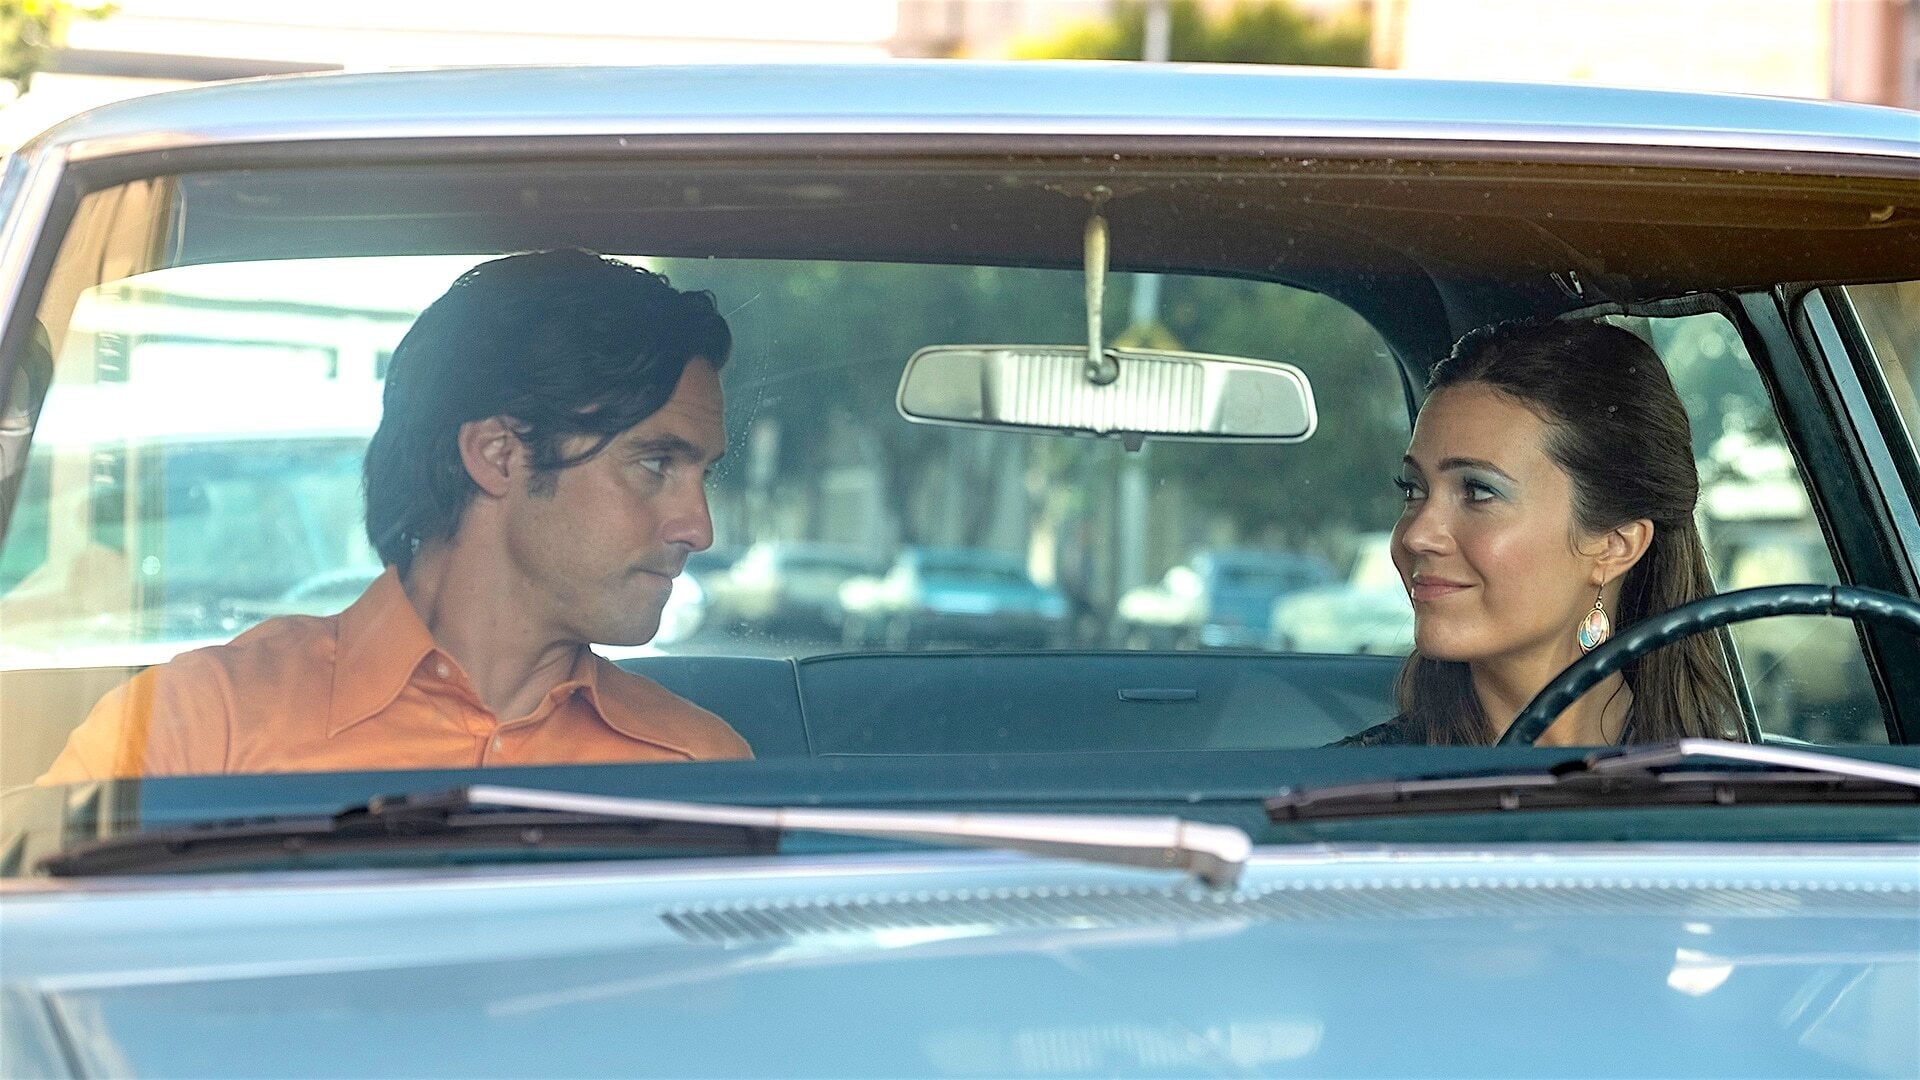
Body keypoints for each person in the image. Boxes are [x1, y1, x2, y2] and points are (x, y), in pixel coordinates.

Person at [39, 250, 751, 781]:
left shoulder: (697, 764)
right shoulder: (200, 726)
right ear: (499, 455)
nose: (699, 527)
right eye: (655, 464)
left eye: (701, 475)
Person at [1336, 320, 1740, 747]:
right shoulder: (1356, 781)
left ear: (1614, 546)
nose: (1416, 535)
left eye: (1477, 492)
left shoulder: (1727, 778)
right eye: (1413, 489)